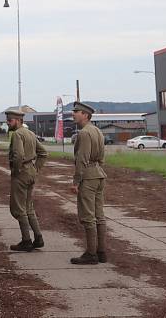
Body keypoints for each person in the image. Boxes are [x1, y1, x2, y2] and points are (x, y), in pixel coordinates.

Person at [69, 101, 108, 265]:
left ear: (85, 115)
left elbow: (81, 160)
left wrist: (75, 182)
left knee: (88, 216)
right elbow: (102, 157)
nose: (74, 114)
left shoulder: (84, 133)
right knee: (99, 216)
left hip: (88, 177)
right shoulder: (97, 131)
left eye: (76, 111)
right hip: (99, 174)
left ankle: (91, 254)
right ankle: (101, 252)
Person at [6, 108, 47, 252]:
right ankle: (38, 237)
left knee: (18, 208)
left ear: (18, 121)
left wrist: (16, 170)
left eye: (10, 120)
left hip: (21, 173)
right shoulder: (30, 133)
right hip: (30, 172)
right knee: (29, 207)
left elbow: (18, 155)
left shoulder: (17, 134)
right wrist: (36, 169)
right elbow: (43, 153)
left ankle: (26, 241)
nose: (7, 123)